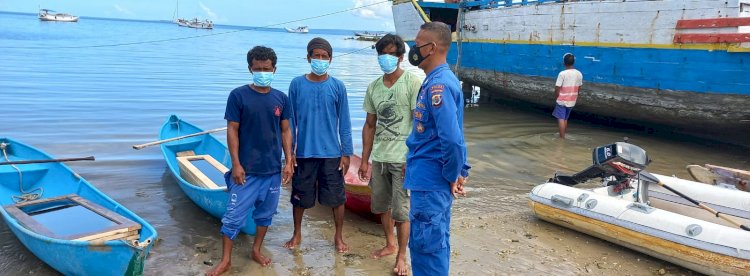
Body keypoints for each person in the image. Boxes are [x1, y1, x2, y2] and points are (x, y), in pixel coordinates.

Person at [207, 46, 294, 275]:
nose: (262, 72)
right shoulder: (238, 96)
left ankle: (256, 249)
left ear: (274, 69)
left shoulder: (281, 98)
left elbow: (286, 131)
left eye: (267, 69)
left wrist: (289, 161)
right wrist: (236, 164)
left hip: (272, 170)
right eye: (258, 69)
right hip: (246, 170)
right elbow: (232, 130)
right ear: (250, 69)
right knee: (233, 217)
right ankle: (226, 260)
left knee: (265, 215)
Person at [404, 22, 471, 276]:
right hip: (428, 180)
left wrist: (453, 174)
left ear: (430, 48)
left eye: (417, 43)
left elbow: (452, 140)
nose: (413, 48)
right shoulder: (440, 80)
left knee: (426, 251)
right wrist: (458, 171)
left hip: (431, 183)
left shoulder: (438, 87)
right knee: (434, 245)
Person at [358, 34, 421, 276]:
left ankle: (402, 256)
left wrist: (413, 158)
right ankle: (389, 243)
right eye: (381, 55)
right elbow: (369, 125)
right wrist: (364, 160)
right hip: (380, 158)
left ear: (401, 57)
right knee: (382, 207)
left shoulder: (412, 83)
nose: (385, 59)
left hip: (403, 159)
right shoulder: (373, 87)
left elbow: (419, 124)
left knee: (401, 210)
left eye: (391, 54)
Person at [284, 37, 353, 253]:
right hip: (304, 153)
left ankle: (338, 236)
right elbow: (289, 122)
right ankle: (297, 233)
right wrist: (290, 154)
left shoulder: (337, 86)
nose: (320, 60)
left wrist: (347, 152)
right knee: (299, 197)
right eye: (316, 56)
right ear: (308, 58)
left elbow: (345, 121)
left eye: (324, 57)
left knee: (337, 198)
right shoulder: (296, 84)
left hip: (332, 154)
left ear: (330, 60)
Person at [553, 53, 583, 139]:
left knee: (560, 118)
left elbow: (557, 88)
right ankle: (563, 134)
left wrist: (557, 97)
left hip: (562, 99)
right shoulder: (579, 74)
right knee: (565, 118)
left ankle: (562, 138)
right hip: (572, 99)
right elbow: (579, 87)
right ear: (573, 62)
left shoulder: (562, 74)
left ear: (564, 63)